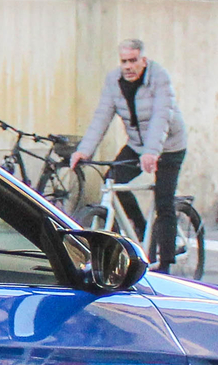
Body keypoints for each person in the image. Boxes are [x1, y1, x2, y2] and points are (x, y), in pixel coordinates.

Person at [70, 38, 190, 272]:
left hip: (169, 146)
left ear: (143, 61)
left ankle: (165, 265)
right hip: (137, 145)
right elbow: (102, 116)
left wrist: (152, 152)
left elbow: (161, 116)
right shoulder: (114, 81)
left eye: (133, 61)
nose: (128, 66)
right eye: (124, 61)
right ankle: (142, 230)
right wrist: (84, 150)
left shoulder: (159, 78)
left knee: (163, 202)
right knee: (112, 180)